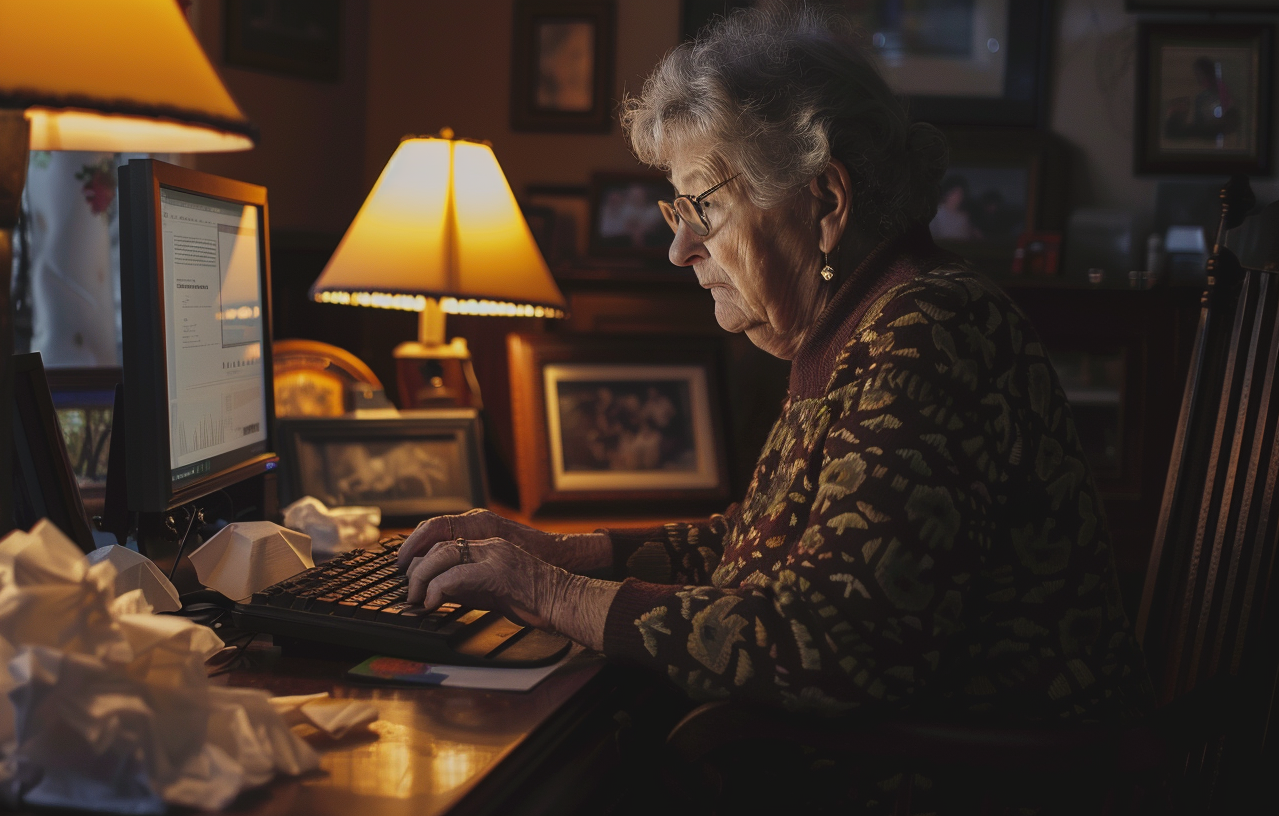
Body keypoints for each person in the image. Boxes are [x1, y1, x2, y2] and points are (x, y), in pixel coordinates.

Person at [398, 6, 1150, 735]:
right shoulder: (864, 325)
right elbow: (756, 547)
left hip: (976, 781)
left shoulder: (930, 335)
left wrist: (547, 592)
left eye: (702, 206)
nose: (680, 249)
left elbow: (827, 642)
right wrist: (553, 551)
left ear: (825, 198)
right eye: (675, 211)